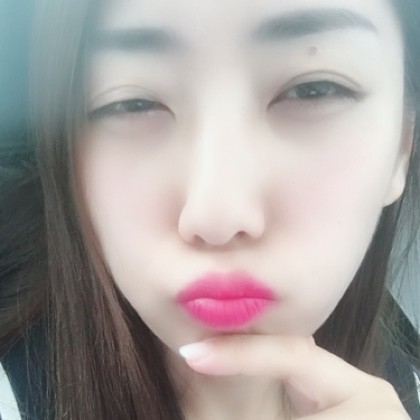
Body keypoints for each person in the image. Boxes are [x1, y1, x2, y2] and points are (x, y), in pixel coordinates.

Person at [1, 0, 420, 418]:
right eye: (132, 103)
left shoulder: (404, 393)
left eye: (314, 90)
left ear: (402, 148)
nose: (217, 216)